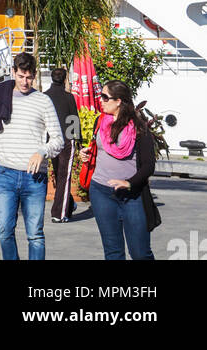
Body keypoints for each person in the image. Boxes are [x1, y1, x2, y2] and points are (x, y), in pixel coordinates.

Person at [0, 53, 63, 261]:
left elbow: (59, 140)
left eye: (29, 77)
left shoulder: (43, 101)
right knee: (5, 231)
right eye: (21, 76)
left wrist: (42, 152)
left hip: (34, 178)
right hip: (6, 174)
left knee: (35, 235)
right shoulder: (0, 100)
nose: (25, 81)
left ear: (34, 76)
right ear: (13, 72)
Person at [88, 80, 158, 261]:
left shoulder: (139, 128)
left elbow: (149, 164)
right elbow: (98, 150)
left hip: (131, 196)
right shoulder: (100, 121)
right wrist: (86, 154)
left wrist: (129, 182)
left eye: (105, 97)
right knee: (113, 253)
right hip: (101, 192)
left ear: (119, 101)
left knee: (140, 253)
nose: (100, 100)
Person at [45, 66, 82, 223]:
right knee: (64, 176)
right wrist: (78, 141)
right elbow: (73, 119)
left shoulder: (45, 96)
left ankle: (68, 205)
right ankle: (58, 213)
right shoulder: (69, 97)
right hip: (66, 139)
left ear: (52, 79)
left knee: (59, 175)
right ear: (65, 79)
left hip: (51, 140)